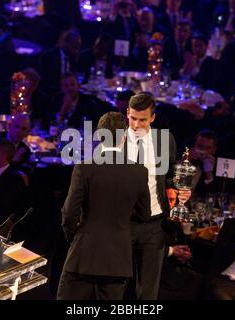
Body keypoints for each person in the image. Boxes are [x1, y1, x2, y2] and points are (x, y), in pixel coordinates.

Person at [57, 112, 151, 300]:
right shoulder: (139, 172)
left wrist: (75, 238)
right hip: (118, 260)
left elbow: (69, 214)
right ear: (124, 136)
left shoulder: (85, 168)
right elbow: (144, 214)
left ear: (100, 136)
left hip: (83, 256)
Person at [126, 92, 188, 299]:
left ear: (152, 118)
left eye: (142, 119)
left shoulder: (165, 141)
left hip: (154, 225)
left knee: (148, 293)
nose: (136, 125)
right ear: (127, 113)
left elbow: (169, 176)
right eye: (132, 118)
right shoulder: (116, 142)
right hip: (122, 224)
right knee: (117, 287)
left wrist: (177, 190)